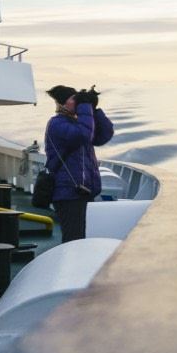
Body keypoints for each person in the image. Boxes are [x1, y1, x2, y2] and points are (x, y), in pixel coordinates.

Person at [43, 84, 114, 242]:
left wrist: (93, 109)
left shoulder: (78, 123)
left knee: (83, 237)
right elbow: (83, 135)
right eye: (74, 99)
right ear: (63, 103)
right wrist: (85, 107)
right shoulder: (57, 124)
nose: (78, 102)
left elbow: (104, 135)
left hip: (83, 191)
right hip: (68, 192)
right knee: (74, 238)